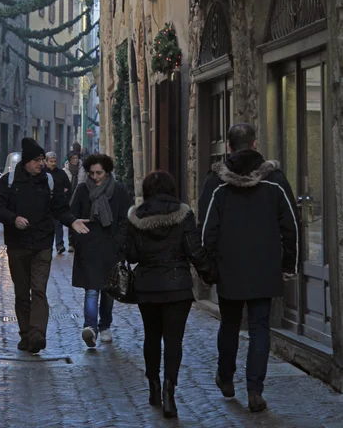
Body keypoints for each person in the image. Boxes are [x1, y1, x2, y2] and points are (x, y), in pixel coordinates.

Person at [194, 123, 299, 413]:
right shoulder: (274, 179)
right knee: (260, 327)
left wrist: (207, 267)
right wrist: (289, 264)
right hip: (265, 266)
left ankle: (226, 378)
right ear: (254, 144)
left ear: (228, 147)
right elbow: (291, 225)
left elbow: (206, 229)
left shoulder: (217, 182)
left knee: (229, 324)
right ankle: (255, 390)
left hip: (230, 266)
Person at [125, 170, 212, 419]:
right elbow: (193, 249)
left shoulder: (136, 216)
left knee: (151, 336)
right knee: (173, 341)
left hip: (147, 286)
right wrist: (209, 274)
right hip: (177, 286)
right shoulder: (183, 214)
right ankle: (168, 392)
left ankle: (153, 385)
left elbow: (130, 254)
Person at [0, 138, 89, 354]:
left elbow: (60, 209)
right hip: (17, 245)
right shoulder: (8, 181)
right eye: (37, 160)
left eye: (43, 159)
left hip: (43, 244)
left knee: (39, 291)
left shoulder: (49, 182)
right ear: (26, 161)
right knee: (21, 293)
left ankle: (37, 335)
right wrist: (13, 218)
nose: (41, 163)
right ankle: (25, 334)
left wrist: (72, 221)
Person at [70, 153, 131, 348]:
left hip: (111, 248)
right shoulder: (81, 190)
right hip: (88, 247)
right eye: (92, 173)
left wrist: (119, 242)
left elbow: (125, 219)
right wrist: (77, 240)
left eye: (99, 173)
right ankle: (90, 328)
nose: (95, 177)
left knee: (108, 291)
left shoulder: (119, 191)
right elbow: (72, 217)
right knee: (91, 290)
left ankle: (105, 325)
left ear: (107, 172)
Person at [45, 151, 72, 254]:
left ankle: (59, 245)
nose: (53, 163)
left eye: (54, 161)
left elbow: (68, 186)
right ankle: (47, 246)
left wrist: (64, 197)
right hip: (45, 205)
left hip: (58, 204)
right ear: (46, 161)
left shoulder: (60, 173)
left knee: (58, 225)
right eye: (51, 161)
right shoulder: (42, 173)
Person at [64, 150, 86, 252]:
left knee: (80, 219)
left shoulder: (83, 169)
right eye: (73, 158)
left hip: (80, 197)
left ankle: (80, 241)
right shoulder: (65, 170)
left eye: (76, 158)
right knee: (71, 220)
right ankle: (71, 243)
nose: (75, 160)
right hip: (69, 198)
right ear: (69, 159)